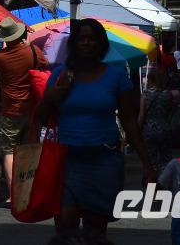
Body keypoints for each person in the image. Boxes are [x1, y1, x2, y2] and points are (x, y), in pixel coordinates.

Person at [40, 18, 155, 245]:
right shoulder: (61, 75)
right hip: (66, 161)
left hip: (104, 162)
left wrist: (147, 164)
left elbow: (130, 122)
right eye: (81, 38)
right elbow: (41, 116)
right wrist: (52, 96)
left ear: (101, 44)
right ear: (74, 43)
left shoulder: (117, 77)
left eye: (92, 38)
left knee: (95, 232)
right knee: (65, 227)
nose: (86, 43)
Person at [0, 16, 45, 204]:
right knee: (28, 152)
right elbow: (44, 66)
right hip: (32, 110)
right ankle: (27, 194)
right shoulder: (34, 52)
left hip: (9, 111)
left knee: (9, 152)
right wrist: (27, 46)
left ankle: (13, 196)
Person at [140, 63, 180, 168]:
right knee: (166, 161)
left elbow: (141, 116)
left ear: (150, 80)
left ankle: (153, 177)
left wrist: (138, 131)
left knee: (151, 161)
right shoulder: (167, 94)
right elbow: (179, 94)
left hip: (149, 130)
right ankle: (166, 177)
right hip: (165, 129)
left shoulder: (145, 95)